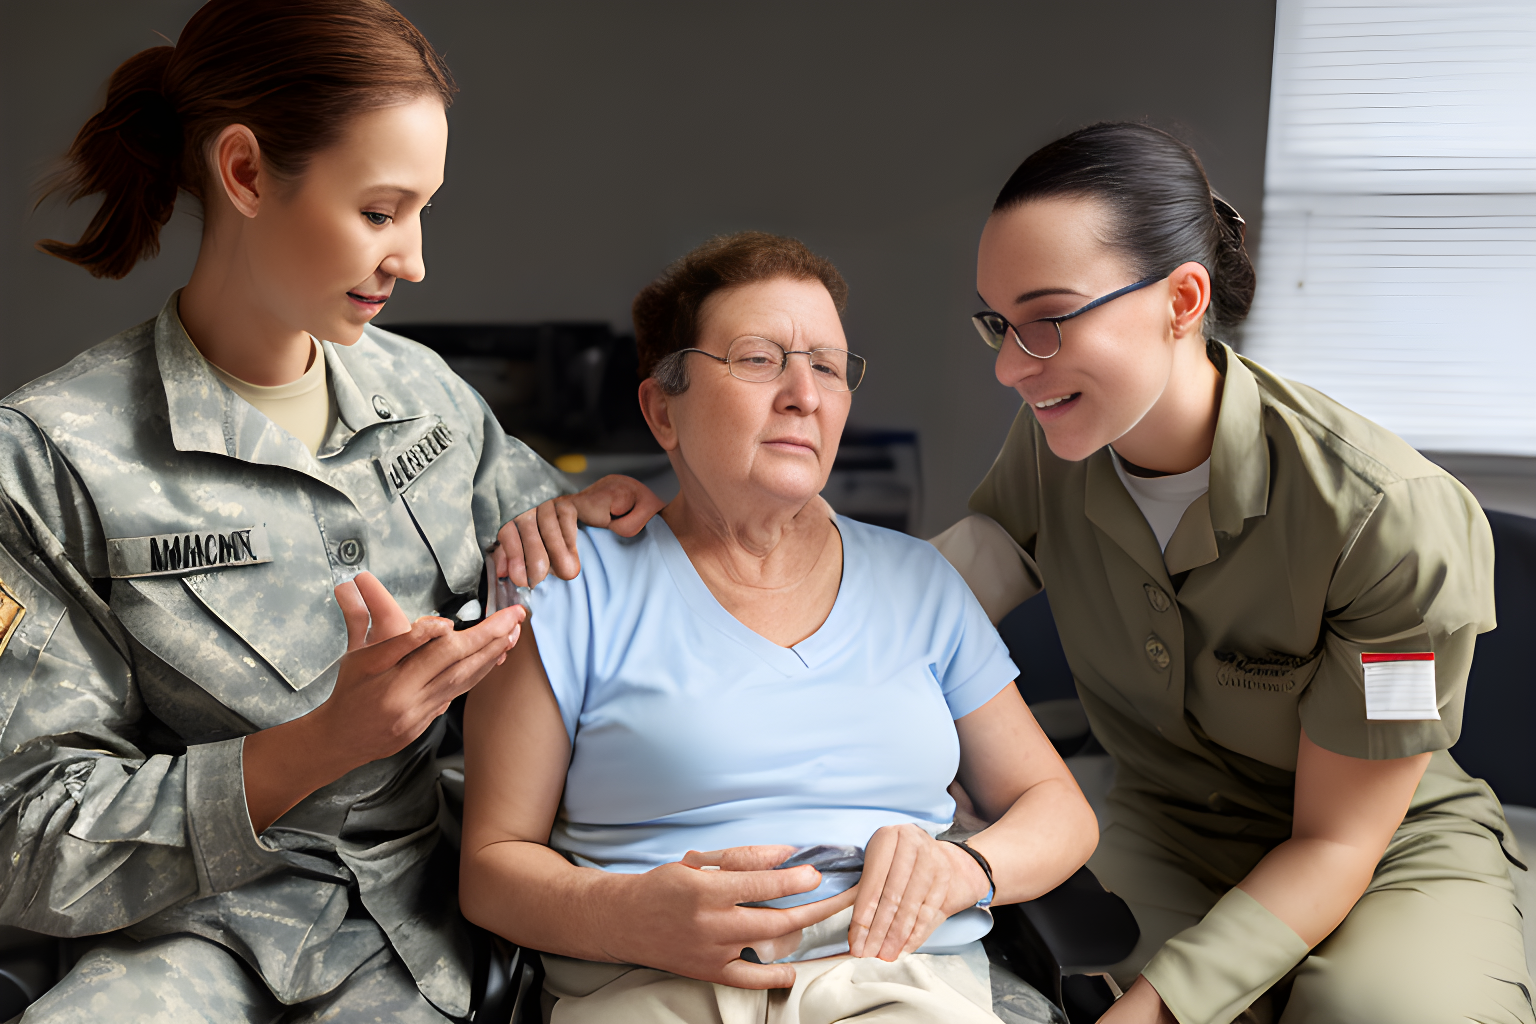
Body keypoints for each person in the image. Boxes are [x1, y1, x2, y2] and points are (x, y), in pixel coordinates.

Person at [506, 125, 1534, 1024]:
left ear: (1181, 299)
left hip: (1365, 839)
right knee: (1066, 969)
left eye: (1046, 318)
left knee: (1375, 1010)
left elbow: (1335, 839)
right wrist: (642, 530)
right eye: (999, 323)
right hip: (1166, 825)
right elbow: (920, 597)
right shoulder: (1059, 444)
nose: (1009, 366)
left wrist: (1161, 1000)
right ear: (663, 405)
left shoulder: (1386, 519)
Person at [0, 2, 578, 1020]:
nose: (415, 258)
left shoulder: (431, 401)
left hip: (426, 932)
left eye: (423, 210)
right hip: (189, 936)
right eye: (381, 210)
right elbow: (27, 842)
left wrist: (612, 517)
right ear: (247, 172)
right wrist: (320, 741)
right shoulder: (47, 458)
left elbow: (594, 607)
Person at [459, 232, 1100, 1024]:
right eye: (759, 358)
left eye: (828, 366)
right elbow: (491, 867)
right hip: (647, 982)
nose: (805, 393)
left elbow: (1059, 809)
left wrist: (963, 867)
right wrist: (626, 915)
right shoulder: (567, 586)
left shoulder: (919, 583)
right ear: (664, 409)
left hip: (896, 983)